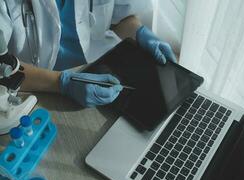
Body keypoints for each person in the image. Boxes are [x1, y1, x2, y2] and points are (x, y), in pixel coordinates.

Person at [0, 0, 177, 107]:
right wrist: (62, 83)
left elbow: (121, 16)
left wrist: (139, 33)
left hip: (101, 72)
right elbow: (3, 68)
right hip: (36, 89)